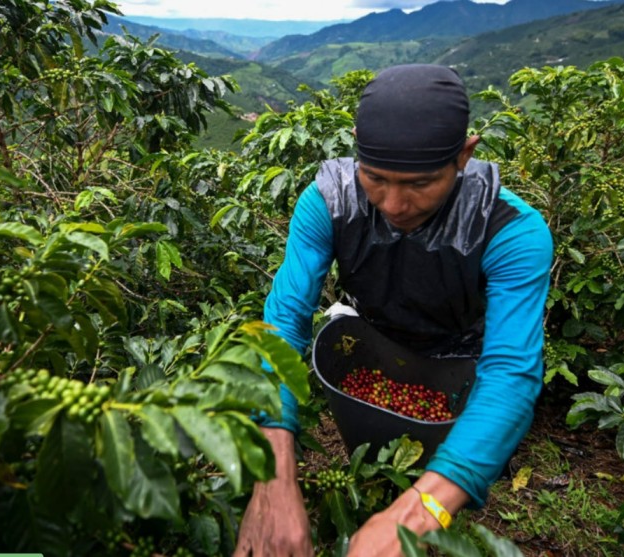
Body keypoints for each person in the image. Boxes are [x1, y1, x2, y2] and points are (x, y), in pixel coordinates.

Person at [234, 64, 553, 556]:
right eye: (375, 178)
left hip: (459, 352)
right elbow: (285, 320)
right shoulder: (328, 201)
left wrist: (420, 512)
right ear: (356, 145)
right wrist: (273, 474)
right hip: (374, 331)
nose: (395, 204)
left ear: (464, 156)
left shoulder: (512, 231)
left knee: (451, 454)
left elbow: (511, 371)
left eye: (421, 183)